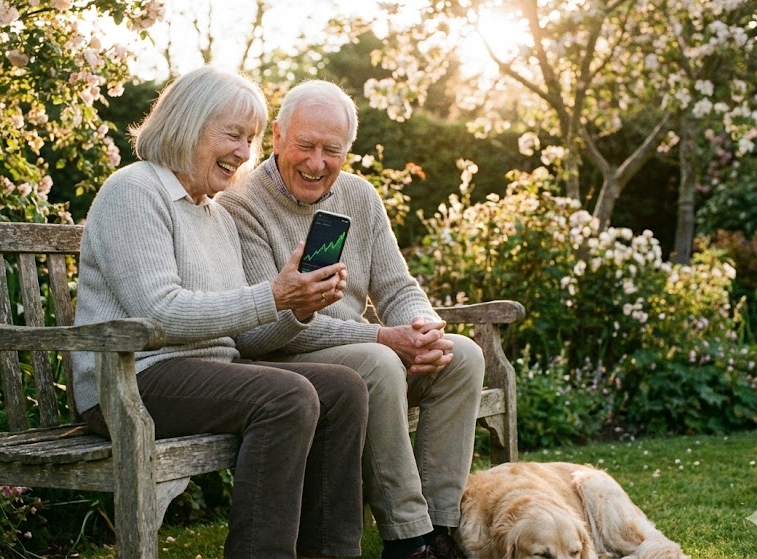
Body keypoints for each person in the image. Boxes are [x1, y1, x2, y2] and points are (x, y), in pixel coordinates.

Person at [71, 67, 369, 559]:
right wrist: (273, 295)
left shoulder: (215, 213)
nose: (243, 153)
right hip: (131, 379)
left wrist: (298, 306)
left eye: (249, 139)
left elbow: (245, 338)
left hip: (205, 375)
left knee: (343, 388)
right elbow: (158, 315)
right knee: (287, 395)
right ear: (187, 124)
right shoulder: (135, 190)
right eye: (233, 134)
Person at [218, 80, 485, 559]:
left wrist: (422, 327)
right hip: (287, 358)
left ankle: (441, 528)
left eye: (331, 150)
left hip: (359, 349)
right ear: (277, 136)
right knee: (378, 361)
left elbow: (398, 287)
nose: (316, 163)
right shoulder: (242, 205)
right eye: (305, 145)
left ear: (348, 151)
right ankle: (409, 537)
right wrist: (383, 336)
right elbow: (259, 330)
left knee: (461, 355)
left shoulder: (359, 197)